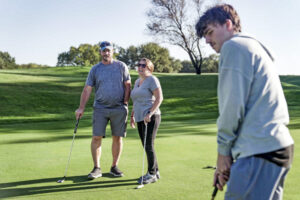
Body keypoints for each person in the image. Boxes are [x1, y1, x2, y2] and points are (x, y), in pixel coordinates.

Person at [195, 4, 294, 200]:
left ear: (228, 24)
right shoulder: (254, 47)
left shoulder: (234, 47)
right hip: (276, 148)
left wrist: (223, 154)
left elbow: (231, 108)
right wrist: (229, 158)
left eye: (209, 32)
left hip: (259, 151)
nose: (206, 40)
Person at [75, 41, 131, 179]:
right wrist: (81, 107)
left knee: (117, 137)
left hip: (119, 108)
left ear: (112, 51)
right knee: (96, 137)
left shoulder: (121, 66)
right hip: (100, 108)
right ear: (100, 52)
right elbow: (87, 89)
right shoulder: (95, 69)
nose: (106, 53)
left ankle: (114, 167)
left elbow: (128, 85)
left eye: (108, 50)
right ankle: (96, 168)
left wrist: (125, 102)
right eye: (103, 50)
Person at [130, 58, 163, 184]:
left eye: (143, 65)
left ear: (149, 68)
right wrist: (132, 115)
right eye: (139, 65)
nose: (140, 67)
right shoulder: (137, 81)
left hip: (151, 117)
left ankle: (151, 174)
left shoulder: (152, 79)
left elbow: (159, 98)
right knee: (146, 145)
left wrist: (150, 112)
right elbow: (136, 100)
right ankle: (156, 170)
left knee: (149, 144)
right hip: (139, 117)